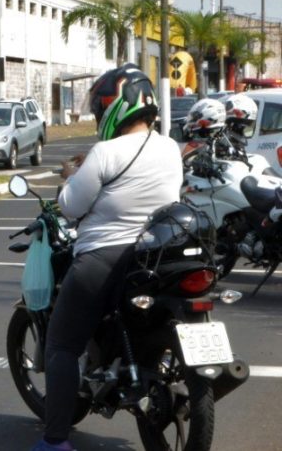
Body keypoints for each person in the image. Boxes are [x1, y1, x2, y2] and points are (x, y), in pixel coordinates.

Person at [32, 64, 182, 451]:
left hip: (103, 257)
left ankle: (55, 441)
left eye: (102, 106)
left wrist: (69, 176)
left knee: (61, 345)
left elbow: (70, 207)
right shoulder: (169, 146)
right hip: (155, 256)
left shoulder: (104, 152)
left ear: (116, 106)